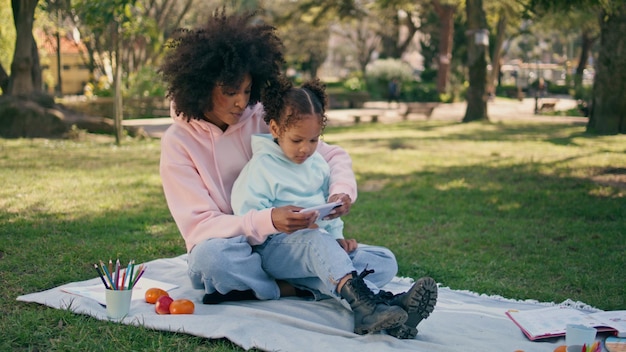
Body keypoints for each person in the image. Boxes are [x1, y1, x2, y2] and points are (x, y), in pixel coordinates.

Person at [230, 76, 438, 338]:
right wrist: (280, 224)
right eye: (297, 140)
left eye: (314, 140)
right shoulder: (261, 168)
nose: (306, 149)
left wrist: (337, 239)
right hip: (274, 252)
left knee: (384, 261)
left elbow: (324, 211)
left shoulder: (317, 164)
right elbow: (247, 221)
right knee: (315, 240)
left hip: (319, 247)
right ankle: (373, 304)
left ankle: (390, 313)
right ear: (275, 129)